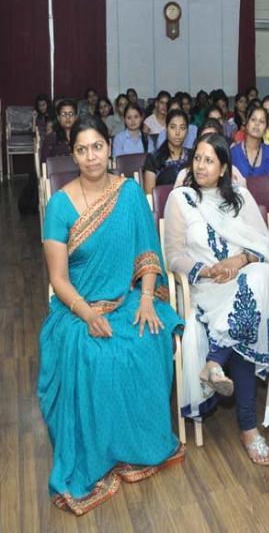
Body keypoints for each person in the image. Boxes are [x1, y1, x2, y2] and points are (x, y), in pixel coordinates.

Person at [40, 115, 183, 515]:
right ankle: (100, 454)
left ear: (110, 148)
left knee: (149, 336)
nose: (91, 157)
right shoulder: (60, 205)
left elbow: (148, 253)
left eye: (97, 147)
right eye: (82, 150)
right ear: (73, 155)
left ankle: (138, 446)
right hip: (77, 307)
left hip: (127, 298)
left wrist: (146, 298)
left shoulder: (129, 194)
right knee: (92, 355)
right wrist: (87, 315)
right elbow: (58, 279)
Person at [164, 132, 269, 465]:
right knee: (251, 307)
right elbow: (173, 256)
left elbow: (264, 247)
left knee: (260, 277)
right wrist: (207, 270)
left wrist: (238, 261)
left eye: (209, 160)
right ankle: (248, 429)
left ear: (224, 168)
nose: (200, 166)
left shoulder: (240, 198)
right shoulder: (181, 199)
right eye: (197, 158)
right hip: (206, 287)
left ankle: (215, 361)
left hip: (244, 280)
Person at [143, 109, 191, 194]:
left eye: (182, 128)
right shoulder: (153, 158)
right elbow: (149, 196)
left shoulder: (193, 156)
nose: (177, 132)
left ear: (187, 131)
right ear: (166, 129)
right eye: (173, 127)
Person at [230, 105, 269, 178]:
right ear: (247, 125)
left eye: (261, 121)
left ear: (265, 129)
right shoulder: (234, 152)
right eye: (253, 119)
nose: (257, 124)